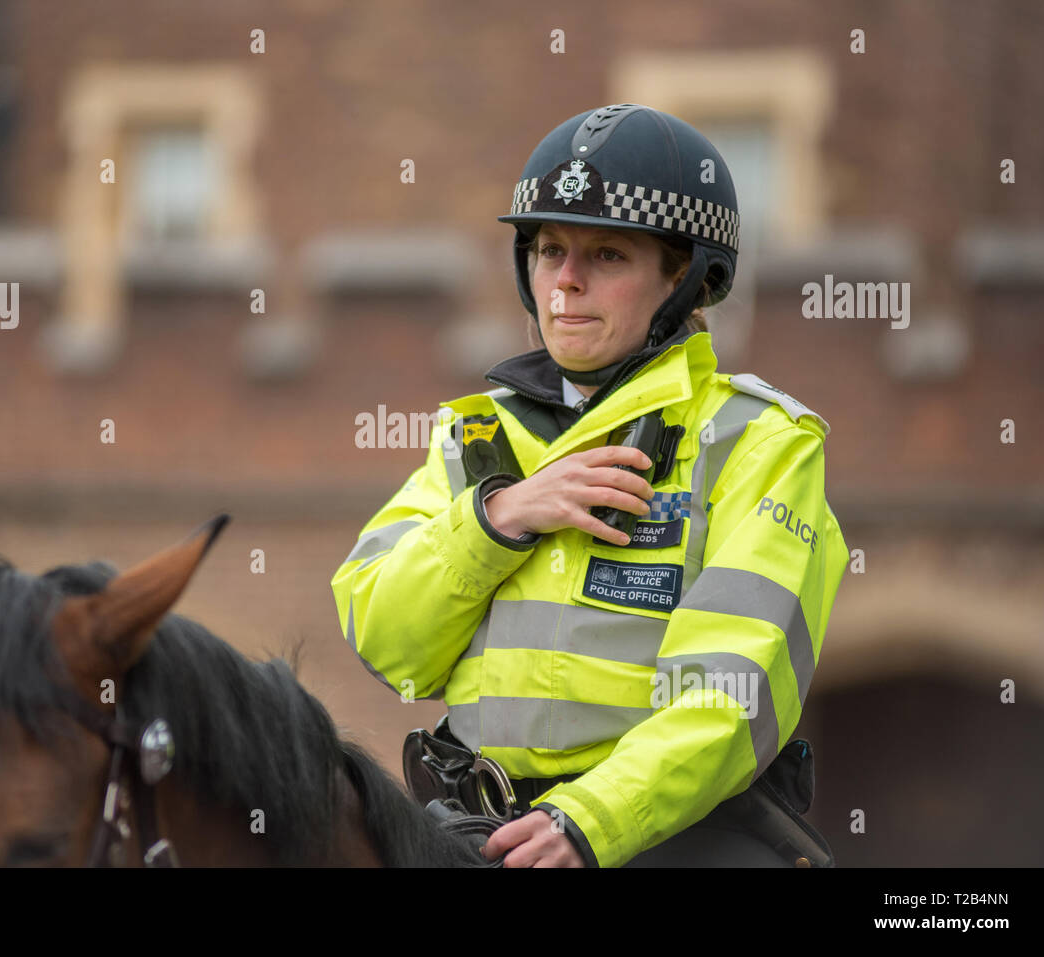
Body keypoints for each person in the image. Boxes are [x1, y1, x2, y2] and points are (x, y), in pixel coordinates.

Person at [331, 104, 847, 868]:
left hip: (675, 839)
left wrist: (587, 820)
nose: (565, 282)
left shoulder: (761, 443)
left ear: (688, 280)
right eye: (547, 250)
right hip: (475, 831)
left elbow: (728, 695)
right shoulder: (475, 436)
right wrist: (498, 517)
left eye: (607, 255)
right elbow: (387, 642)